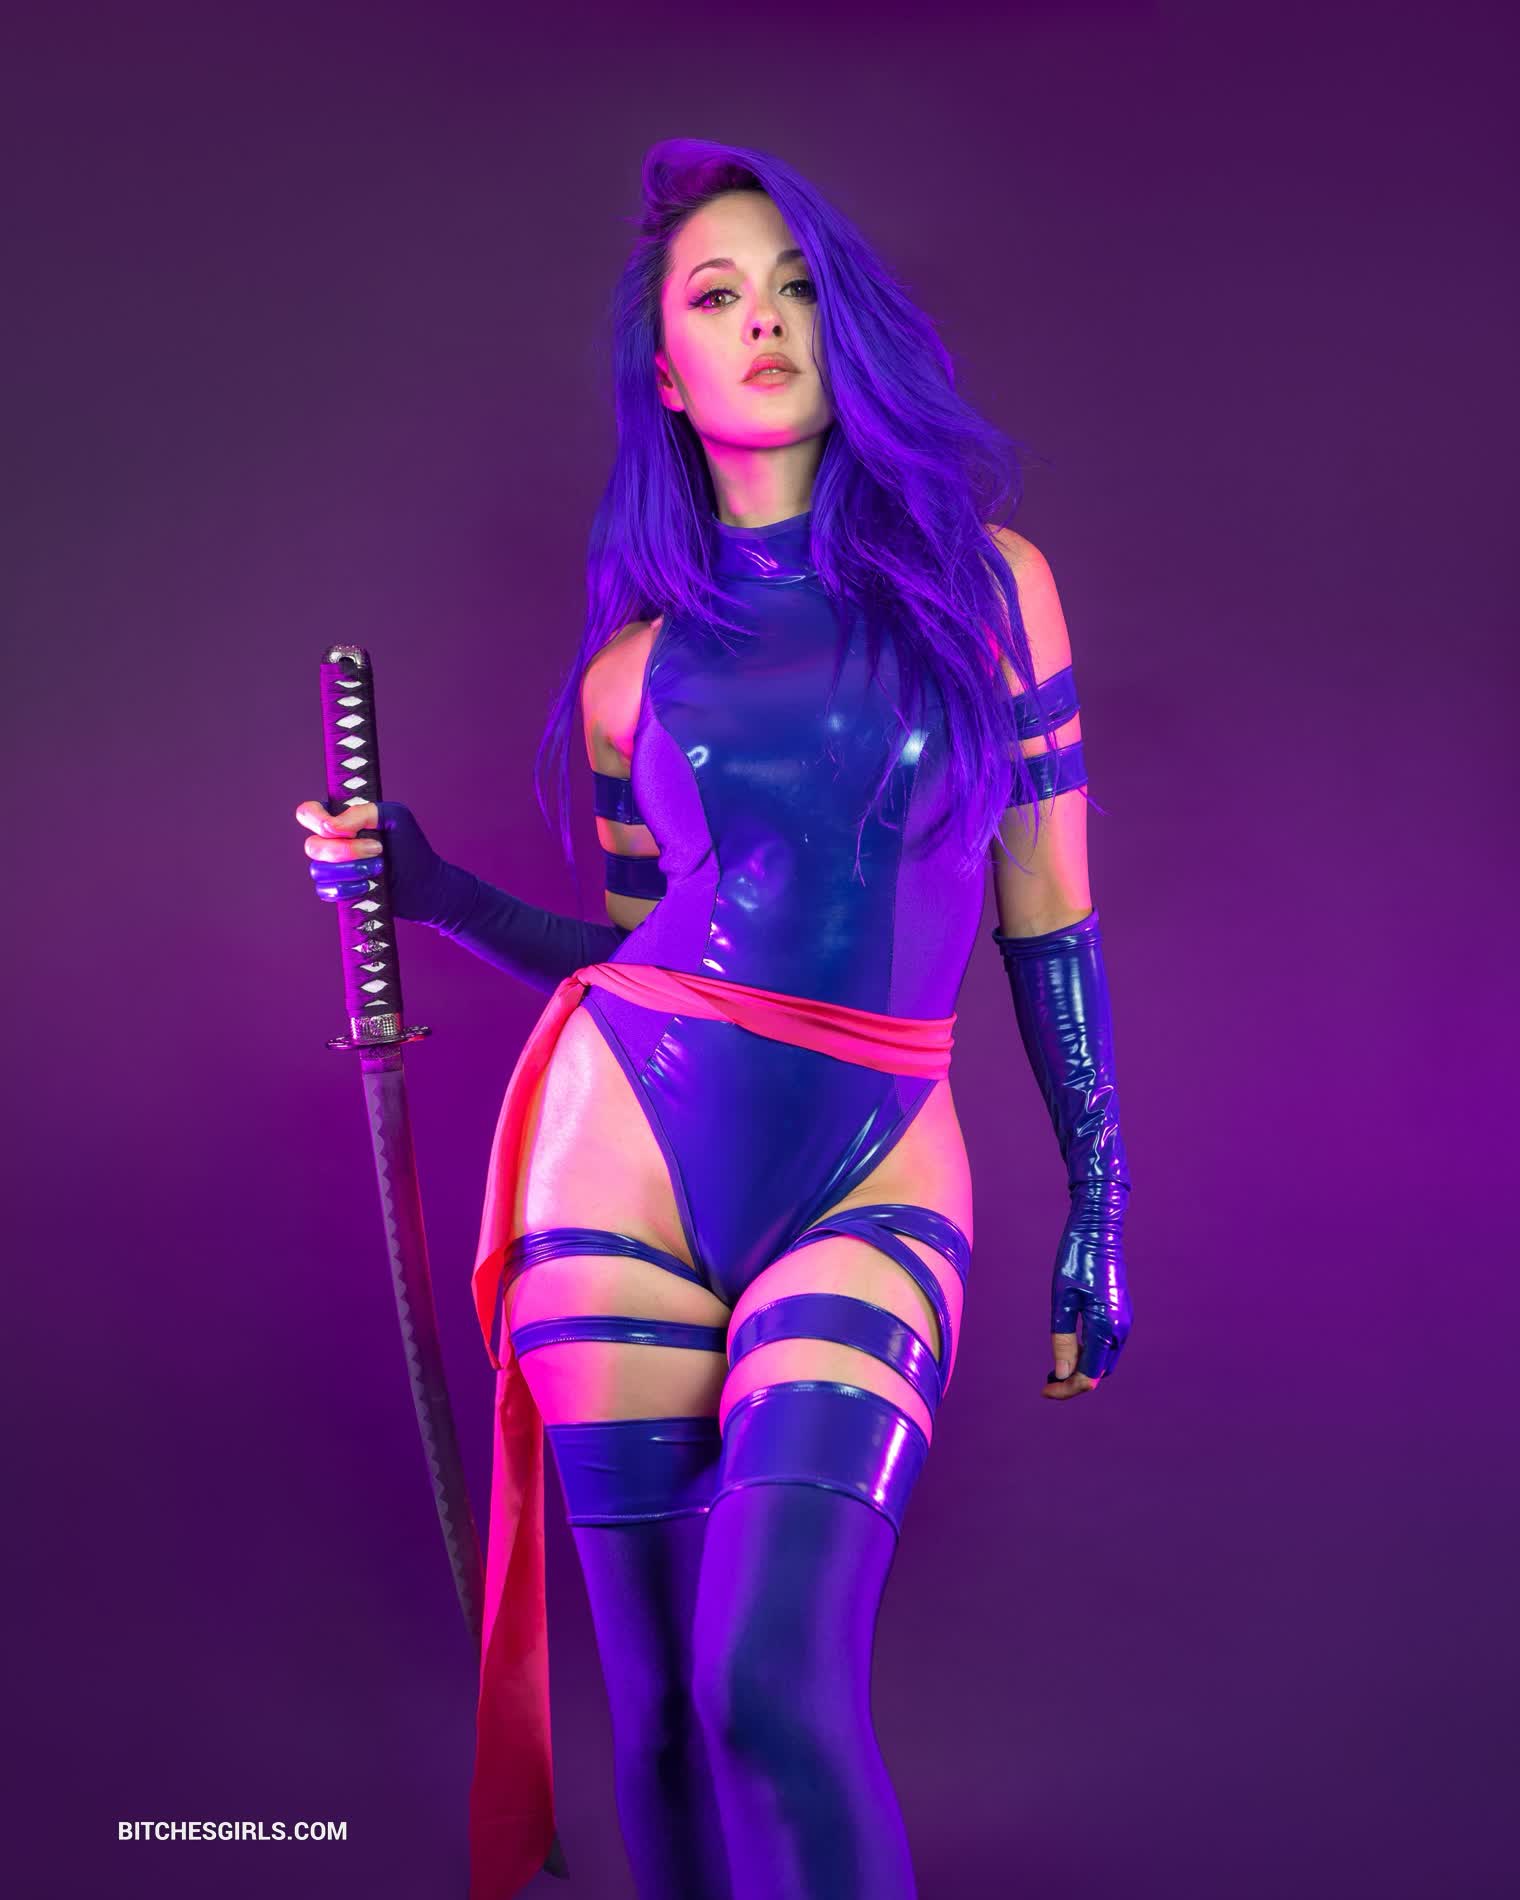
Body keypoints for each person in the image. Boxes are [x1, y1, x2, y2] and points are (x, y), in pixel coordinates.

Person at [296, 138, 1133, 1900]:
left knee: (772, 1683)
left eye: (796, 286)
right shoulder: (633, 678)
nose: (764, 320)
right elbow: (639, 953)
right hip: (618, 1170)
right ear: (668, 377)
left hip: (872, 1172)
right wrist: (433, 890)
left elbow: (1047, 911)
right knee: (669, 1715)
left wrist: (1100, 1200)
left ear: (845, 325)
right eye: (716, 294)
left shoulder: (992, 593)